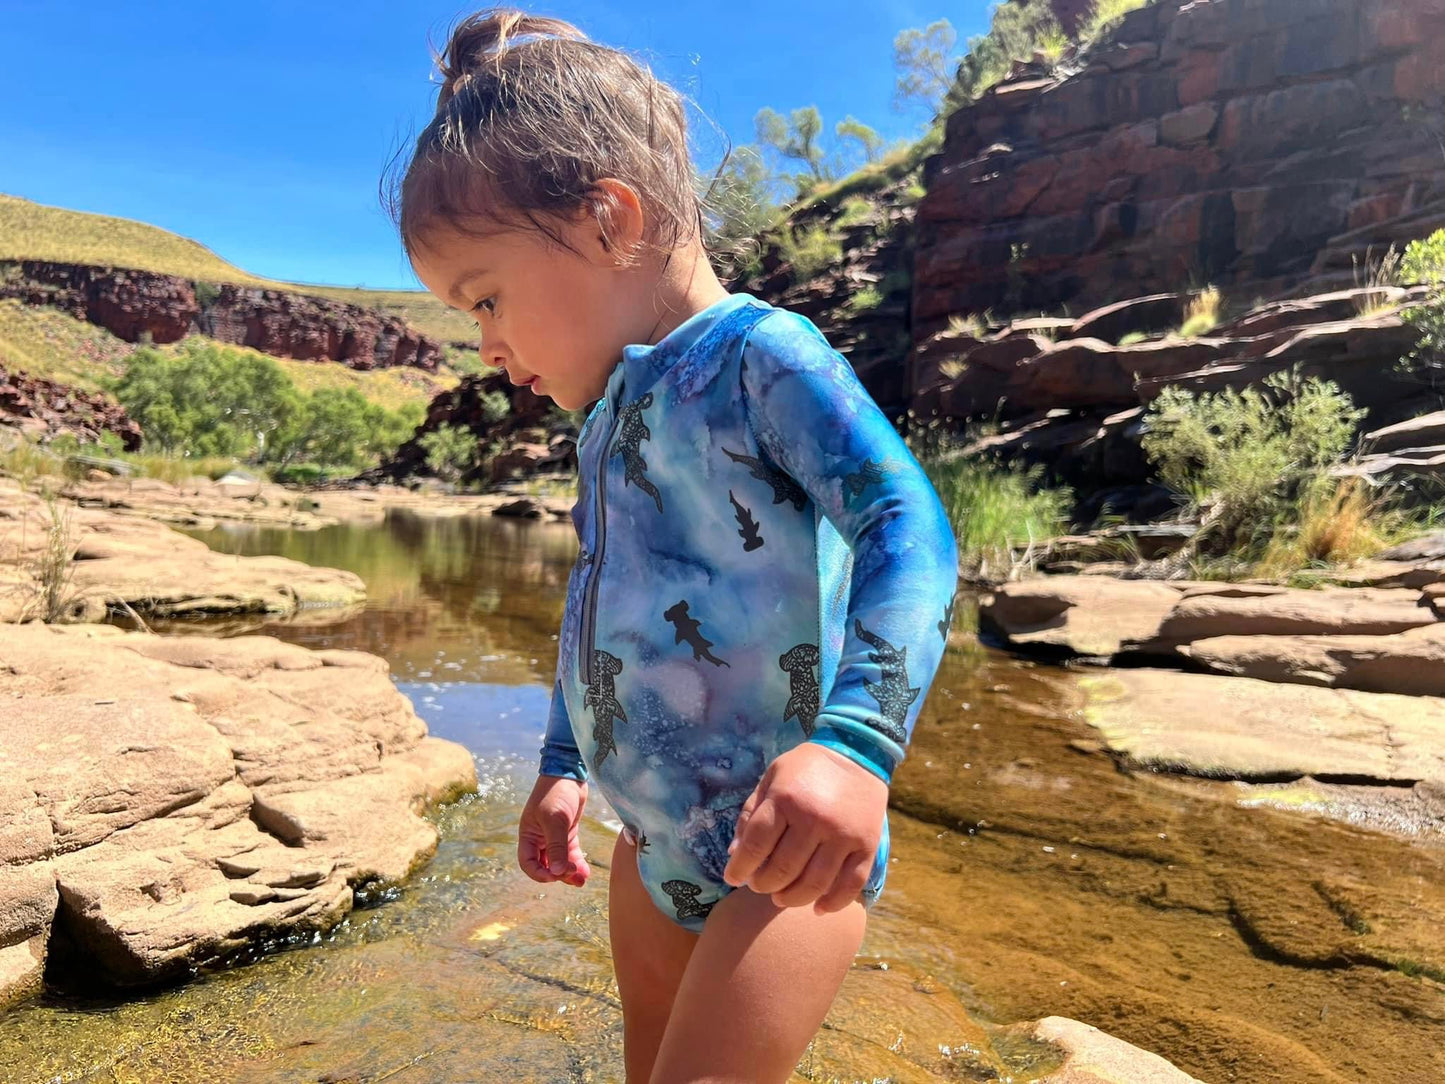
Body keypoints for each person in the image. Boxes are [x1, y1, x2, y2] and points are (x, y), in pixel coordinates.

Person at [390, 10, 960, 1081]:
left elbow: (906, 524)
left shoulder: (759, 358)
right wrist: (562, 762)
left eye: (487, 297)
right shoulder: (605, 418)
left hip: (783, 866)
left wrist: (855, 748)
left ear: (609, 220)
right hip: (648, 851)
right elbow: (597, 598)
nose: (487, 344)